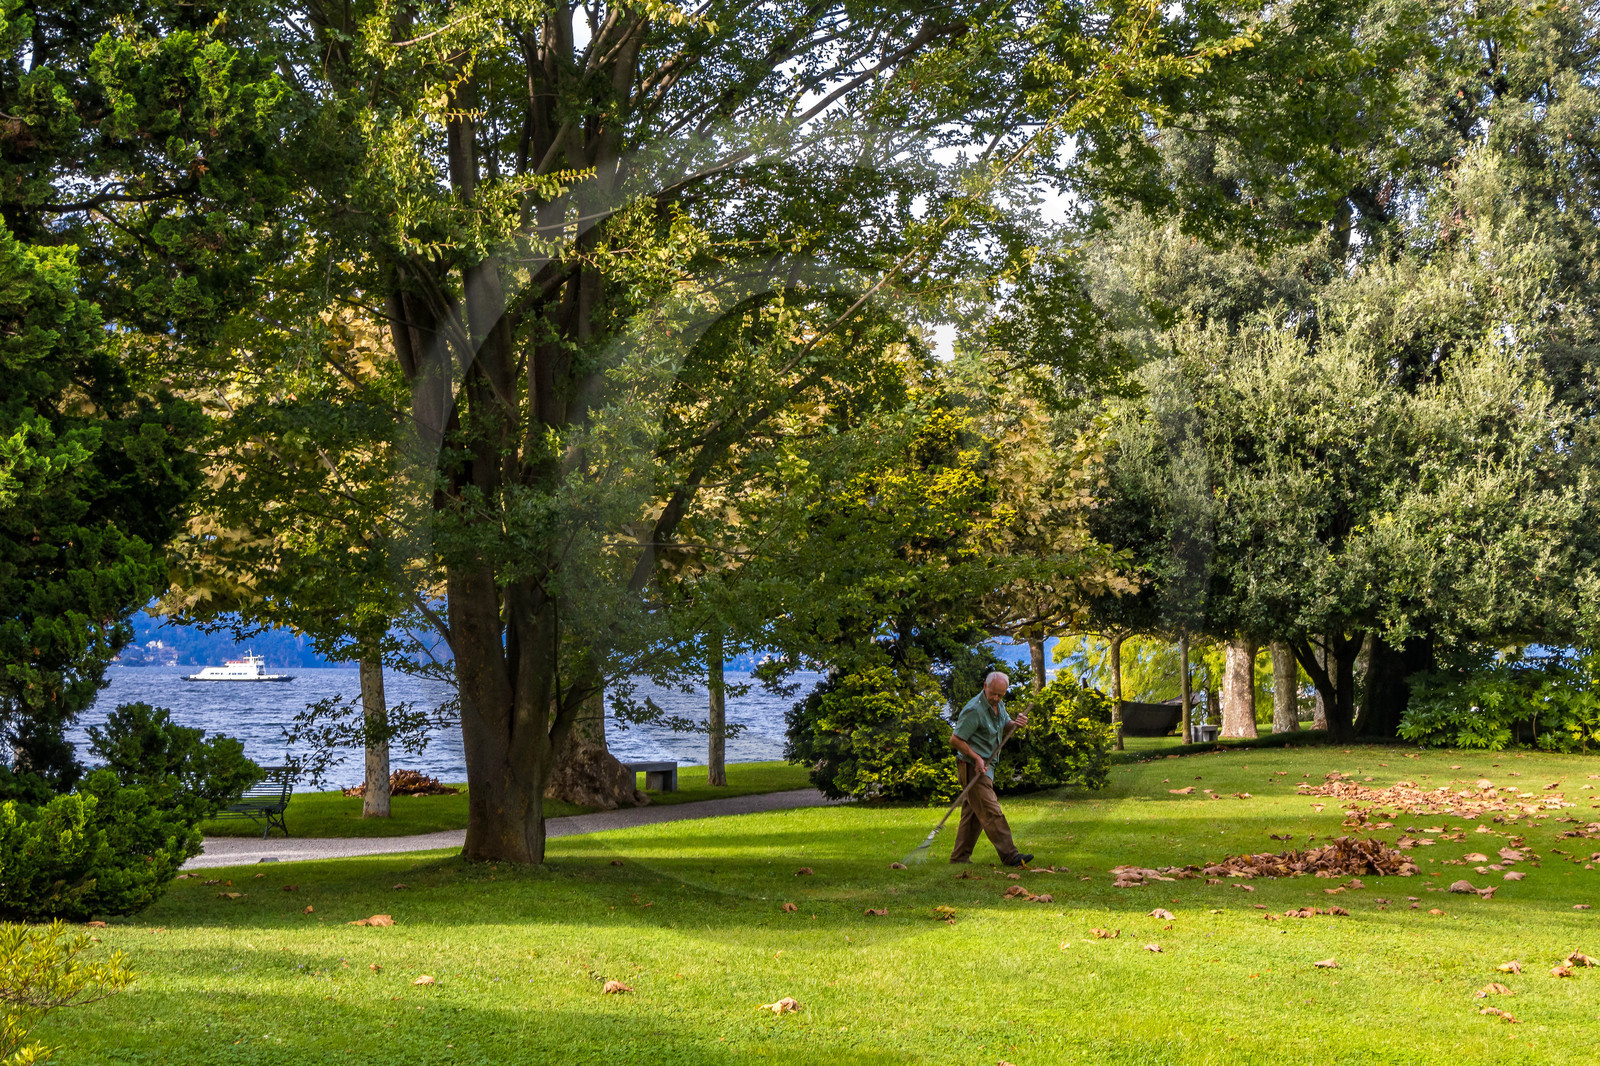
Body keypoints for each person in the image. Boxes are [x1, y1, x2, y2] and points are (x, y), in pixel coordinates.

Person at [948, 670, 1033, 867]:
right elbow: (955, 740)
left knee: (974, 816)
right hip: (972, 768)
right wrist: (976, 757)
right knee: (991, 810)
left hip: (987, 766)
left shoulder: (998, 704)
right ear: (985, 686)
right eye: (993, 693)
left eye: (1000, 695)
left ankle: (959, 857)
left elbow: (1004, 725)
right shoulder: (974, 710)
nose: (996, 698)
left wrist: (1016, 724)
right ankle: (1011, 855)